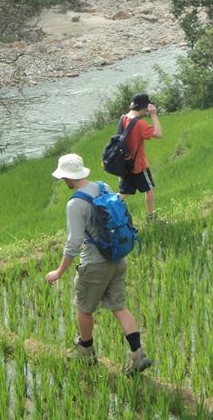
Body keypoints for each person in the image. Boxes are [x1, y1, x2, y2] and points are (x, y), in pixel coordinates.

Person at [46, 153, 152, 375]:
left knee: (84, 309)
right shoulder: (102, 187)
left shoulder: (76, 203)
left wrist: (59, 271)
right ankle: (138, 354)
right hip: (117, 258)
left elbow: (74, 243)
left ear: (67, 177)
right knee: (119, 307)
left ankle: (86, 352)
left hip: (95, 264)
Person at [118, 93, 163, 220]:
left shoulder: (123, 118)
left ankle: (106, 212)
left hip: (125, 164)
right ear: (144, 108)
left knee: (122, 193)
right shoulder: (139, 124)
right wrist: (154, 115)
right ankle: (151, 217)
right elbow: (159, 134)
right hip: (138, 165)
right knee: (149, 189)